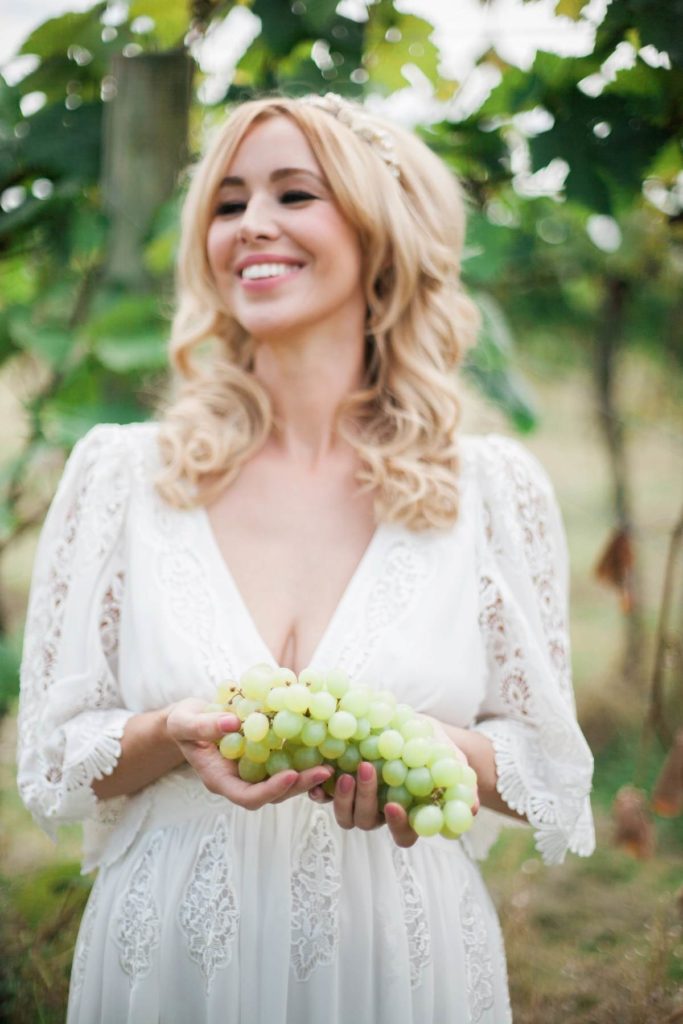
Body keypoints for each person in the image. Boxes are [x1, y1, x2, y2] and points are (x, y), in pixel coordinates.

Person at [17, 93, 595, 1024]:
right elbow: (51, 760)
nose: (252, 226)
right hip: (171, 962)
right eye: (228, 202)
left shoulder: (491, 491)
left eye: (294, 194)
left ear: (382, 233)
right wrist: (170, 733)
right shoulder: (121, 475)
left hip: (398, 966)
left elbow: (550, 776)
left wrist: (434, 759)